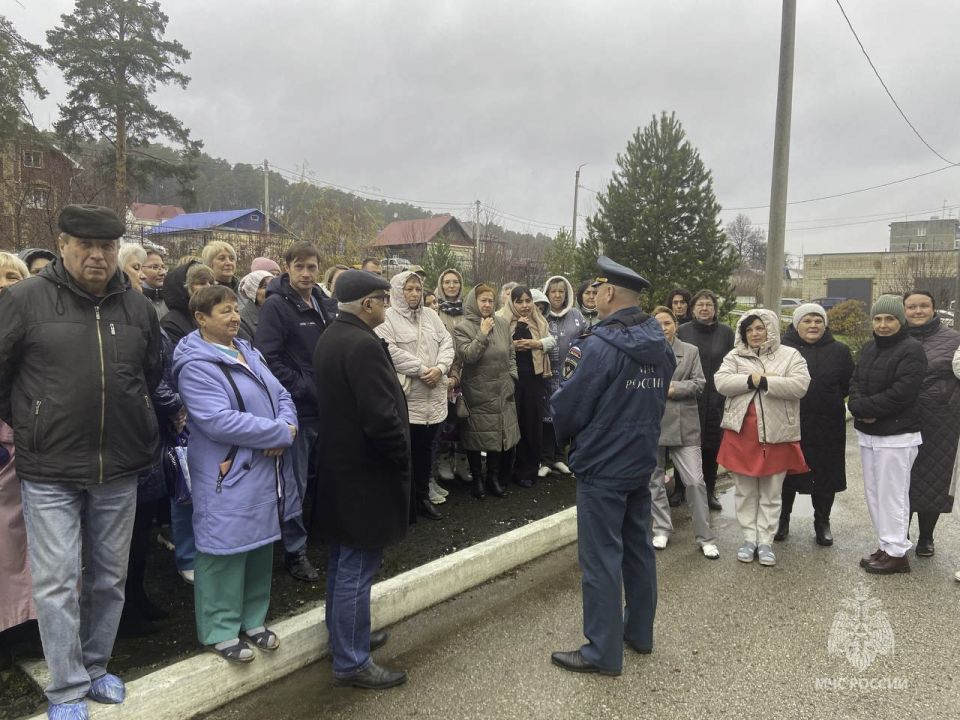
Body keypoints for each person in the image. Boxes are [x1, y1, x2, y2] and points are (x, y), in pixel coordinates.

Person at [0, 205, 162, 719]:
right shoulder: (24, 300)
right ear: (63, 243)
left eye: (108, 247)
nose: (97, 256)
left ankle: (96, 666)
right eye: (85, 246)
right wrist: (33, 422)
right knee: (55, 580)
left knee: (109, 577)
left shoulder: (135, 306)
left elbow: (149, 371)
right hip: (49, 469)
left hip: (119, 465)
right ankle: (67, 688)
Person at [549, 256, 674, 676]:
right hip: (640, 460)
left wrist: (564, 438)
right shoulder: (658, 341)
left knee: (601, 558)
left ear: (606, 294)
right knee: (637, 550)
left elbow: (569, 403)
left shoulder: (598, 345)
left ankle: (601, 652)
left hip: (603, 465)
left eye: (597, 290)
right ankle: (639, 633)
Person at [173, 285, 299, 663]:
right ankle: (220, 629)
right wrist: (277, 433)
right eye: (224, 312)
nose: (234, 317)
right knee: (223, 550)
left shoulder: (248, 350)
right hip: (225, 475)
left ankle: (253, 619)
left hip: (263, 468)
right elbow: (216, 420)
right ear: (201, 318)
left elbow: (283, 396)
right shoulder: (196, 364)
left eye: (234, 310)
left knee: (259, 546)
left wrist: (287, 428)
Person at [312, 269, 410, 689]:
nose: (387, 307)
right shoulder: (362, 344)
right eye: (383, 300)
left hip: (341, 467)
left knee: (342, 561)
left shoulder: (332, 336)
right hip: (365, 472)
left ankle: (345, 637)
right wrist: (402, 457)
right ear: (367, 304)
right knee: (357, 563)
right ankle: (352, 660)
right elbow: (380, 418)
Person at [255, 241, 336, 582]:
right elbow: (267, 358)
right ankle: (294, 551)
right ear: (287, 266)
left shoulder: (323, 302)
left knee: (323, 479)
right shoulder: (276, 306)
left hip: (329, 407)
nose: (306, 273)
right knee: (295, 484)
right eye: (299, 266)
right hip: (300, 410)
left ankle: (320, 536)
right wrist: (303, 387)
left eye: (312, 266)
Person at [715, 309, 810, 567]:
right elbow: (721, 382)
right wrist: (752, 378)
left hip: (777, 434)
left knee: (771, 491)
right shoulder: (734, 356)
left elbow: (800, 385)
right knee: (745, 492)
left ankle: (765, 541)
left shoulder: (790, 355)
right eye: (749, 329)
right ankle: (748, 538)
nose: (755, 334)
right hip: (741, 434)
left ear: (771, 328)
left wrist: (766, 381)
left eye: (760, 328)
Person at [849, 295, 926, 574]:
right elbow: (856, 381)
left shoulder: (912, 349)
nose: (883, 324)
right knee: (874, 493)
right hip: (869, 433)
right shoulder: (870, 348)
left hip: (896, 434)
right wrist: (855, 406)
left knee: (892, 494)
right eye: (878, 319)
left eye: (889, 319)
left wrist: (868, 409)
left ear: (900, 321)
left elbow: (903, 392)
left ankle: (896, 552)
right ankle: (884, 544)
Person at [376, 271, 454, 519]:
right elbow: (390, 352)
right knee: (405, 454)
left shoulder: (431, 316)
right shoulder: (387, 319)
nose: (414, 294)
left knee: (425, 454)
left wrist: (440, 369)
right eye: (408, 289)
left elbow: (447, 343)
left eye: (417, 289)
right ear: (398, 291)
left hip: (435, 400)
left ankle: (421, 498)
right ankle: (404, 505)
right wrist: (422, 370)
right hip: (410, 402)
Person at [777, 303, 854, 546]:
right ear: (796, 324)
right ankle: (781, 519)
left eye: (818, 321)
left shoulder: (840, 350)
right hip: (789, 421)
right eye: (807, 321)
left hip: (827, 423)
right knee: (785, 473)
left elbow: (847, 385)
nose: (813, 325)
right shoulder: (782, 348)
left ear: (825, 324)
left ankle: (822, 522)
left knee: (825, 474)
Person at [647, 306, 719, 559]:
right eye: (657, 324)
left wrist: (672, 388)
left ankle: (705, 537)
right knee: (654, 481)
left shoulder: (690, 352)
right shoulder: (644, 353)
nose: (662, 328)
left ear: (676, 325)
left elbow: (700, 383)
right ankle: (662, 528)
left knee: (695, 482)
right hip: (652, 425)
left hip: (684, 425)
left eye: (667, 323)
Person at [901, 290, 960, 558]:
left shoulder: (954, 340)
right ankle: (900, 532)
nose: (918, 311)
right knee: (901, 477)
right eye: (912, 306)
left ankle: (926, 536)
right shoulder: (894, 338)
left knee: (935, 477)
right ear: (904, 310)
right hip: (900, 418)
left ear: (934, 309)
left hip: (941, 419)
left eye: (924, 306)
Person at [454, 284, 521, 499]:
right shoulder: (462, 327)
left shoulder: (501, 323)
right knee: (476, 437)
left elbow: (511, 353)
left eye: (491, 301)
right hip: (477, 391)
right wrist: (482, 333)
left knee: (497, 434)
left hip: (501, 388)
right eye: (483, 300)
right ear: (474, 302)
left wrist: (512, 376)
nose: (487, 304)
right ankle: (477, 479)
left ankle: (492, 478)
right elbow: (468, 356)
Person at [0, 252, 34, 634]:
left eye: (14, 275)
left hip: (27, 440)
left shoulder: (31, 326)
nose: (6, 283)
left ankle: (25, 618)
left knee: (26, 540)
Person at [676, 289, 733, 510]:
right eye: (700, 305)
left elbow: (731, 362)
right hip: (689, 397)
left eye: (709, 305)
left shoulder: (726, 333)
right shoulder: (683, 330)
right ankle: (681, 490)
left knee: (711, 446)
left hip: (716, 398)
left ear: (715, 309)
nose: (704, 308)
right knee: (685, 445)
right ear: (692, 309)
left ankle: (709, 491)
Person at [498, 286, 553, 488]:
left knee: (531, 425)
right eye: (519, 301)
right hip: (509, 378)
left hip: (534, 378)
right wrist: (515, 341)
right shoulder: (501, 319)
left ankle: (526, 471)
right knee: (510, 425)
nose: (524, 306)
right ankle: (503, 473)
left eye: (528, 301)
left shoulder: (539, 319)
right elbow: (495, 345)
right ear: (511, 302)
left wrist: (535, 343)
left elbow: (551, 341)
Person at [541, 275, 586, 477]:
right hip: (545, 375)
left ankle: (560, 457)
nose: (557, 295)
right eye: (553, 291)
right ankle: (545, 459)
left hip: (570, 375)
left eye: (561, 291)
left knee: (563, 416)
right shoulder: (541, 315)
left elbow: (586, 341)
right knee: (546, 417)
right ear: (547, 293)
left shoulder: (577, 316)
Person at [434, 268, 470, 485]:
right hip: (446, 371)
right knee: (447, 419)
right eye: (447, 282)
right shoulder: (436, 311)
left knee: (465, 418)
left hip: (468, 369)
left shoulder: (468, 311)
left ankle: (461, 459)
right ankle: (444, 459)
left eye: (455, 282)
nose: (451, 286)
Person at [161, 262, 216, 345]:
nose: (208, 287)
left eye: (211, 283)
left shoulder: (218, 315)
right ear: (186, 287)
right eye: (201, 283)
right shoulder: (171, 323)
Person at [238, 269, 273, 339]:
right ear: (253, 292)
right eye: (265, 287)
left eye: (273, 285)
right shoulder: (242, 322)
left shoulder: (281, 312)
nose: (271, 289)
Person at [140, 248, 168, 318]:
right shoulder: (132, 301)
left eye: (163, 267)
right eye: (155, 267)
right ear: (139, 268)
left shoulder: (172, 299)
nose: (163, 272)